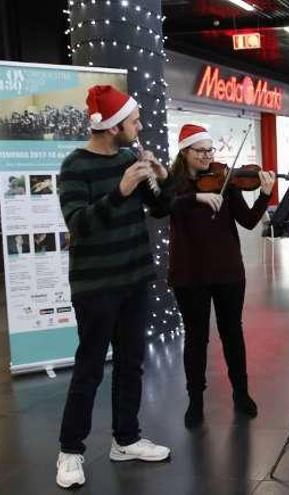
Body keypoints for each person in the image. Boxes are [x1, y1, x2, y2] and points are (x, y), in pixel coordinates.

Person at [55, 85, 172, 489]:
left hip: (135, 279)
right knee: (89, 368)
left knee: (131, 363)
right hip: (96, 286)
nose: (140, 126)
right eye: (134, 120)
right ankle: (70, 450)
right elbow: (78, 226)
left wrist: (160, 178)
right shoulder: (74, 166)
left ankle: (126, 438)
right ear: (111, 125)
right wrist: (120, 191)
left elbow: (160, 209)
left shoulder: (129, 157)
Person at [163, 124, 275, 427]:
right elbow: (164, 207)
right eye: (201, 151)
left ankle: (241, 392)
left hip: (227, 270)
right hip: (189, 273)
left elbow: (250, 221)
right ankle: (195, 400)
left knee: (232, 333)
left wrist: (264, 195)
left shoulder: (226, 179)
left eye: (211, 150)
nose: (208, 157)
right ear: (185, 152)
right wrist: (196, 198)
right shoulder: (173, 184)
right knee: (196, 338)